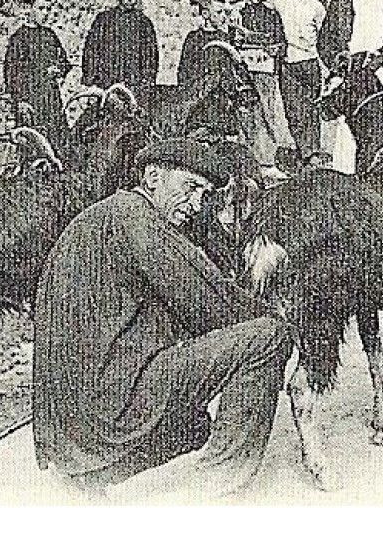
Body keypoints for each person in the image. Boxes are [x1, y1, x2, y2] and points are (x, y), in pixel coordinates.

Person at [31, 138, 291, 499]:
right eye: (191, 187)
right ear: (153, 176)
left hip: (70, 423)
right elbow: (212, 306)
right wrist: (283, 317)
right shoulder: (137, 217)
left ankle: (89, 477)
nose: (197, 204)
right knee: (270, 336)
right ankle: (218, 490)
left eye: (205, 194)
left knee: (195, 428)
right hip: (108, 407)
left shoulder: (104, 215)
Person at [233, 0, 292, 180]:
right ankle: (245, 160)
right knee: (245, 114)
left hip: (265, 70)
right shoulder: (237, 13)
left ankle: (267, 161)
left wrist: (274, 48)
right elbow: (233, 41)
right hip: (244, 71)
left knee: (267, 114)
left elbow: (282, 42)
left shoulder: (271, 13)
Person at [272, 0, 326, 167]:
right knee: (293, 110)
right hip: (288, 63)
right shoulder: (278, 1)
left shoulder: (315, 6)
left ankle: (313, 152)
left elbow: (325, 37)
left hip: (310, 62)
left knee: (312, 109)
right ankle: (302, 149)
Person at [4, 0, 72, 149]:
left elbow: (64, 61)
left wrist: (59, 69)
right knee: (35, 146)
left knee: (58, 143)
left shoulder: (50, 35)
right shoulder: (19, 38)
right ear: (28, 9)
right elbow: (11, 72)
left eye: (48, 9)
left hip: (51, 98)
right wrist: (20, 100)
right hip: (31, 101)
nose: (46, 13)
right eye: (41, 8)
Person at [82, 0, 160, 99]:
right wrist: (91, 82)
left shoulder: (144, 23)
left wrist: (147, 84)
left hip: (135, 87)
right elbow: (91, 51)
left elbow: (151, 57)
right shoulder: (104, 20)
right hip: (107, 86)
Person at [178, 0, 233, 88]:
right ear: (205, 14)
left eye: (225, 12)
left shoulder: (225, 38)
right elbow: (184, 70)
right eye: (219, 12)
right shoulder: (194, 38)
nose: (223, 16)